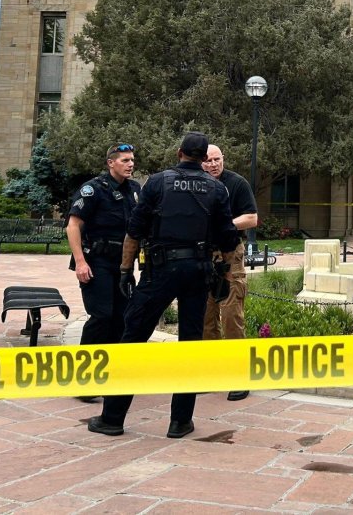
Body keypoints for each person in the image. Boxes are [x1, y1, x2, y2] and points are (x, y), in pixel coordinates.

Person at [88, 132, 239, 439]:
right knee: (190, 344)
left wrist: (124, 270)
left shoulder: (157, 182)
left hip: (160, 269)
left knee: (133, 339)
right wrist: (222, 274)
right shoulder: (217, 188)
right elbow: (228, 239)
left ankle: (113, 418)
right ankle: (180, 421)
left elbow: (135, 229)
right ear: (201, 157)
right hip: (198, 270)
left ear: (180, 152)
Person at [66, 143, 140, 402]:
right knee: (101, 316)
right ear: (111, 163)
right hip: (96, 262)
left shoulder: (134, 190)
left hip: (122, 265)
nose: (130, 164)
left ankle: (111, 374)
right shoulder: (93, 189)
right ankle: (84, 380)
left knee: (121, 318)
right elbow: (73, 226)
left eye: (132, 160)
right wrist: (80, 262)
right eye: (124, 160)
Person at [201, 144, 259, 402]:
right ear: (200, 162)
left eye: (217, 159)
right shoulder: (195, 183)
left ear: (223, 159)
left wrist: (222, 226)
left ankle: (239, 375)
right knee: (206, 313)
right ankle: (212, 371)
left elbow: (251, 218)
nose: (213, 164)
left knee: (232, 312)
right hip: (203, 254)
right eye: (208, 160)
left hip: (230, 253)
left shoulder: (237, 183)